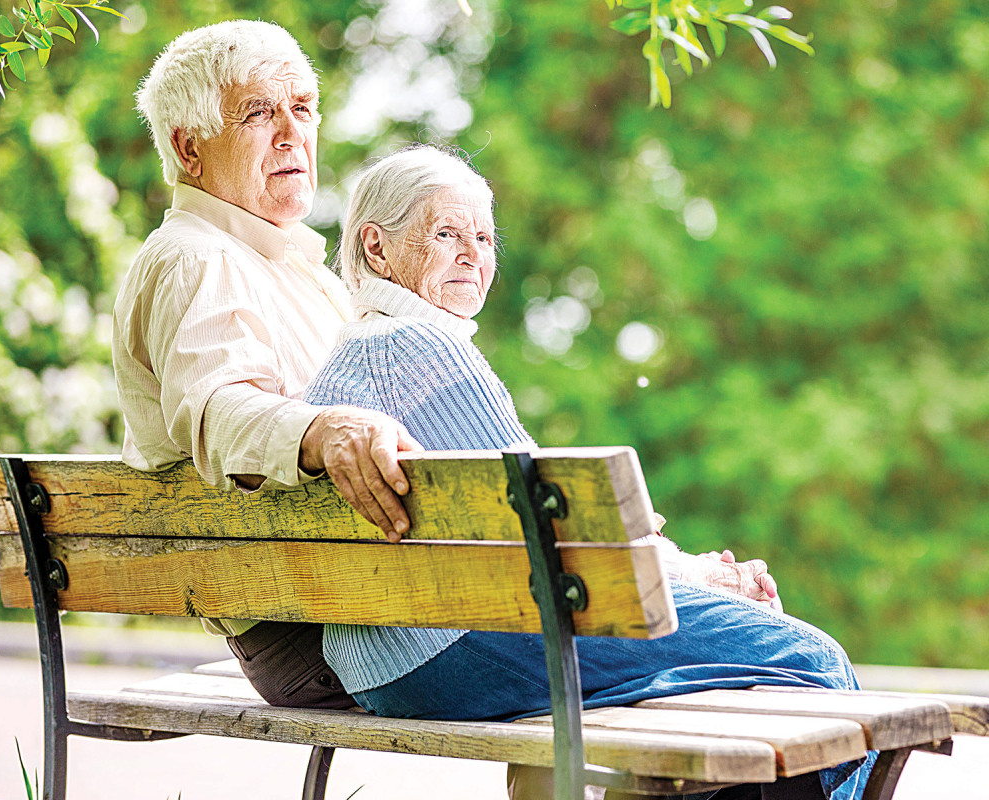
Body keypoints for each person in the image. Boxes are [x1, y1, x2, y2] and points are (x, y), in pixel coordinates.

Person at [296, 145, 876, 800]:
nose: (473, 255)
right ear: (377, 248)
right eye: (446, 234)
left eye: (484, 237)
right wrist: (702, 576)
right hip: (454, 650)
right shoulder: (417, 348)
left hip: (380, 664)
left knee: (706, 713)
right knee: (812, 663)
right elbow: (557, 536)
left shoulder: (347, 360)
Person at [113, 19, 424, 707]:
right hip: (321, 627)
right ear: (188, 148)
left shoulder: (281, 262)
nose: (292, 133)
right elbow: (220, 410)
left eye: (303, 108)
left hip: (354, 599)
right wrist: (322, 432)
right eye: (258, 112)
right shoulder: (201, 258)